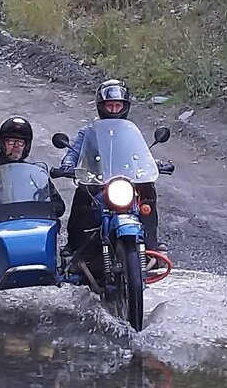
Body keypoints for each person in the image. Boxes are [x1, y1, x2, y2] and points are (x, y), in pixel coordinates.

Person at [59, 79, 164, 271]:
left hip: (127, 180)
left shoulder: (130, 131)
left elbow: (141, 154)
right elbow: (74, 152)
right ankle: (74, 246)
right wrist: (68, 165)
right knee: (83, 192)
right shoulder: (89, 131)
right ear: (102, 106)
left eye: (118, 105)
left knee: (148, 191)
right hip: (99, 179)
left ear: (125, 107)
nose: (114, 109)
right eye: (110, 105)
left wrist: (155, 164)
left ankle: (151, 244)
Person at [0, 116, 65, 270]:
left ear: (26, 146)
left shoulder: (36, 175)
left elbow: (58, 204)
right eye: (11, 141)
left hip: (32, 234)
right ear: (2, 144)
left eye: (20, 142)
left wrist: (48, 209)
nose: (15, 146)